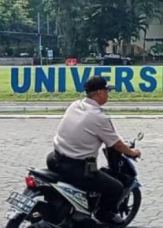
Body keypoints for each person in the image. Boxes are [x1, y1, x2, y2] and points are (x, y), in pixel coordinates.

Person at [46, 76, 141, 225]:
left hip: (55, 159)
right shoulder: (98, 116)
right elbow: (116, 144)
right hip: (76, 168)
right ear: (100, 93)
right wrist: (133, 152)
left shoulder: (75, 105)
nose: (108, 94)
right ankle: (104, 215)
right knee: (116, 187)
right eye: (107, 91)